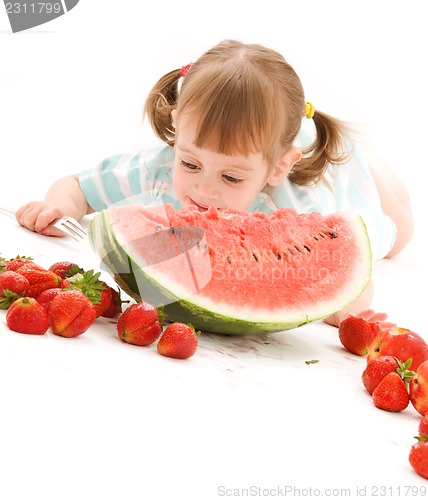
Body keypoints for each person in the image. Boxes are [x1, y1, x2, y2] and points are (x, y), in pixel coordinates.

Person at [15, 39, 414, 326]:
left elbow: (349, 280)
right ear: (176, 131)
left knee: (399, 235)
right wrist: (60, 206)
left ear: (276, 168)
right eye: (190, 163)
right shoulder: (157, 168)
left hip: (337, 178)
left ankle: (365, 157)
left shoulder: (297, 207)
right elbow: (78, 187)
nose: (204, 190)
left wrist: (344, 307)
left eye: (230, 176)